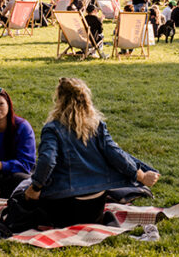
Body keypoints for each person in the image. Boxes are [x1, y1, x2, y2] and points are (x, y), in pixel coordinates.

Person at [25, 78, 159, 227]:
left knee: (21, 194)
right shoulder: (97, 126)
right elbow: (116, 154)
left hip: (66, 206)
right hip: (95, 206)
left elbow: (47, 161)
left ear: (59, 100)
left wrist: (36, 187)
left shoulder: (52, 129)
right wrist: (141, 175)